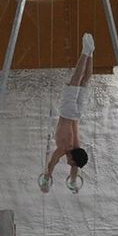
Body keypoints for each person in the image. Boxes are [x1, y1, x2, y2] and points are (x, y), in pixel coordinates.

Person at [38, 32, 93, 194]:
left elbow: (75, 166)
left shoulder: (77, 147)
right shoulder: (64, 147)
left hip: (77, 114)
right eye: (70, 162)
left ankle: (91, 53)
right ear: (72, 157)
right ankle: (85, 51)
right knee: (76, 79)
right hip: (68, 112)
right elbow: (51, 163)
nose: (69, 164)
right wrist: (46, 179)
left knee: (85, 81)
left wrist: (74, 181)